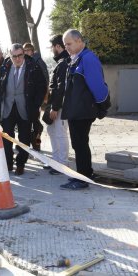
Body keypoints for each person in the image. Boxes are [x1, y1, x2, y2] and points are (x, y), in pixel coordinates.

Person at [60, 29, 110, 190]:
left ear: (79, 41)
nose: (66, 47)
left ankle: (83, 178)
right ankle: (84, 173)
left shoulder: (88, 59)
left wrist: (102, 106)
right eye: (65, 44)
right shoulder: (76, 58)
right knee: (79, 144)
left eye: (69, 43)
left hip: (83, 111)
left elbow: (98, 87)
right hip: (76, 110)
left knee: (80, 144)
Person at [0, 43, 47, 175]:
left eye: (20, 55)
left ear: (24, 54)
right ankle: (8, 163)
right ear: (10, 55)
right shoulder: (5, 67)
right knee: (6, 137)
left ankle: (21, 163)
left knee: (24, 138)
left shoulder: (33, 67)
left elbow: (42, 87)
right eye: (14, 56)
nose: (17, 59)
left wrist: (35, 106)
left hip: (25, 108)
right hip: (8, 107)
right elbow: (0, 86)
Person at [46, 34, 70, 175]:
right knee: (52, 131)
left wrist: (55, 108)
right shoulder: (62, 61)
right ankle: (56, 161)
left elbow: (60, 88)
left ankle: (62, 163)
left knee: (60, 133)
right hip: (58, 104)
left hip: (60, 106)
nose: (51, 50)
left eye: (52, 47)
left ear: (57, 46)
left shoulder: (63, 63)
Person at [23, 42, 49, 151]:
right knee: (32, 122)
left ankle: (36, 144)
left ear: (32, 51)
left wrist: (41, 99)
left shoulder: (38, 62)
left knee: (36, 123)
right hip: (29, 98)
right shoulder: (28, 61)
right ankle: (32, 143)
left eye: (27, 50)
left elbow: (44, 80)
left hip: (36, 99)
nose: (25, 53)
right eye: (24, 51)